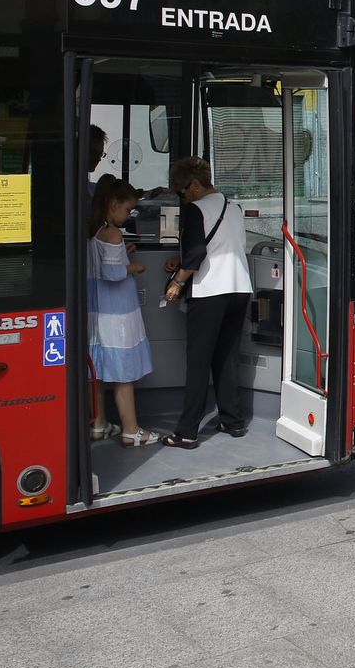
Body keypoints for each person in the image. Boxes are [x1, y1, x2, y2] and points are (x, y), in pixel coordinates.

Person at [161, 157, 253, 449]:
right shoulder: (234, 207)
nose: (182, 196)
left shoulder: (195, 209)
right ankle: (232, 419)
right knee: (226, 356)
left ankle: (187, 431)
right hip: (239, 289)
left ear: (196, 185)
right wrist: (184, 261)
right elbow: (221, 246)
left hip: (211, 291)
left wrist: (177, 281)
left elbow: (198, 252)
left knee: (198, 362)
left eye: (182, 190)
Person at [87, 176, 159, 447]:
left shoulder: (91, 230)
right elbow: (112, 272)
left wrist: (121, 253)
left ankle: (99, 424)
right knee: (122, 373)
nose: (129, 215)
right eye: (128, 209)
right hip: (116, 312)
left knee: (95, 372)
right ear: (114, 203)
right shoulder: (113, 233)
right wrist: (133, 267)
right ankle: (131, 430)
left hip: (94, 312)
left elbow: (100, 263)